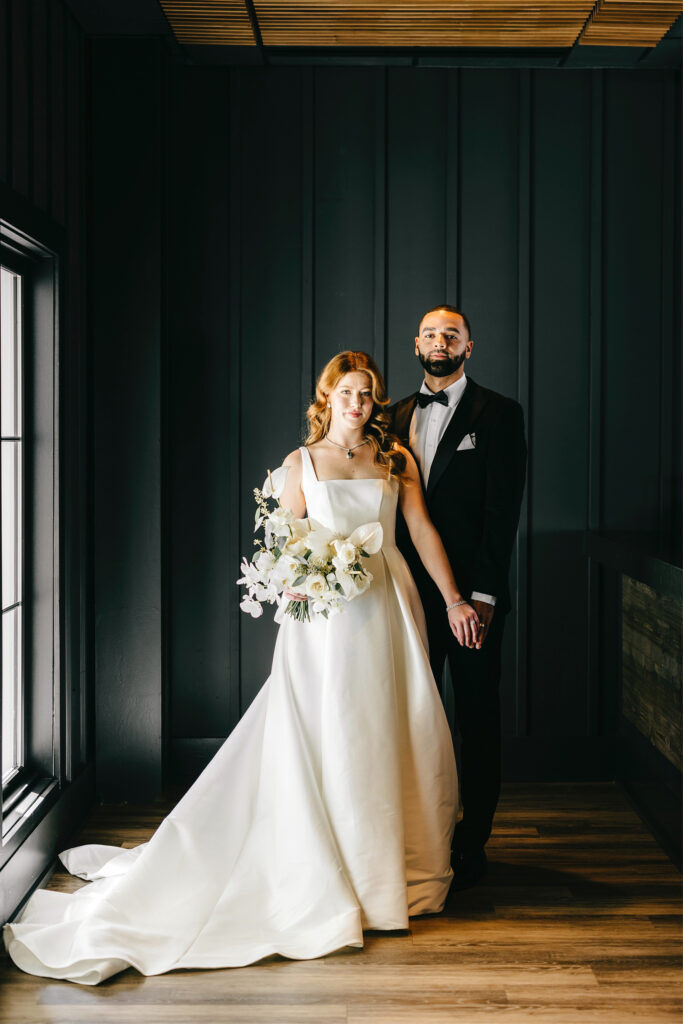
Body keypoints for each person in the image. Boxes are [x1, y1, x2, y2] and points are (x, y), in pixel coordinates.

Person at [4, 350, 480, 985]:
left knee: (394, 729)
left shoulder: (395, 459)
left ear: (375, 400)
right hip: (328, 623)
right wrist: (307, 581)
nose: (358, 404)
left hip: (390, 609)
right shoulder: (299, 464)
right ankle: (327, 870)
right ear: (328, 398)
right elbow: (282, 548)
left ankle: (390, 868)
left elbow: (419, 531)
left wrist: (453, 599)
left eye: (367, 394)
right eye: (346, 393)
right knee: (330, 733)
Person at [390, 305, 527, 890]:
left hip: (471, 600)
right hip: (402, 598)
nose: (439, 341)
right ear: (415, 344)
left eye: (451, 334)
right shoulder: (391, 416)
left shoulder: (499, 414)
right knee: (412, 717)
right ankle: (418, 833)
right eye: (429, 333)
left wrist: (483, 596)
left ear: (468, 347)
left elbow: (502, 515)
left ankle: (473, 843)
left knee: (475, 717)